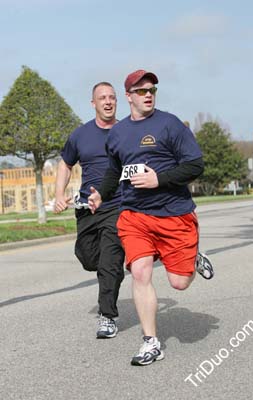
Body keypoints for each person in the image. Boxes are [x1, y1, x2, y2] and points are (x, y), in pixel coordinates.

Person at [88, 69, 214, 365]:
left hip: (174, 214)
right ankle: (151, 342)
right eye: (142, 90)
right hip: (134, 215)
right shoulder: (117, 133)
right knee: (141, 272)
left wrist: (161, 179)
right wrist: (101, 195)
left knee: (179, 283)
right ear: (129, 96)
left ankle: (192, 254)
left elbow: (195, 165)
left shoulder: (170, 125)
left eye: (152, 90)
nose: (148, 95)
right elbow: (113, 171)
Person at [54, 82, 125, 339]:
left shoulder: (126, 131)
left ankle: (107, 317)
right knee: (88, 258)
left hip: (116, 207)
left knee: (108, 262)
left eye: (112, 97)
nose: (108, 102)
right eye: (102, 98)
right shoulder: (80, 135)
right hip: (86, 209)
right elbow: (65, 164)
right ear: (93, 103)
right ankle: (114, 268)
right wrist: (59, 194)